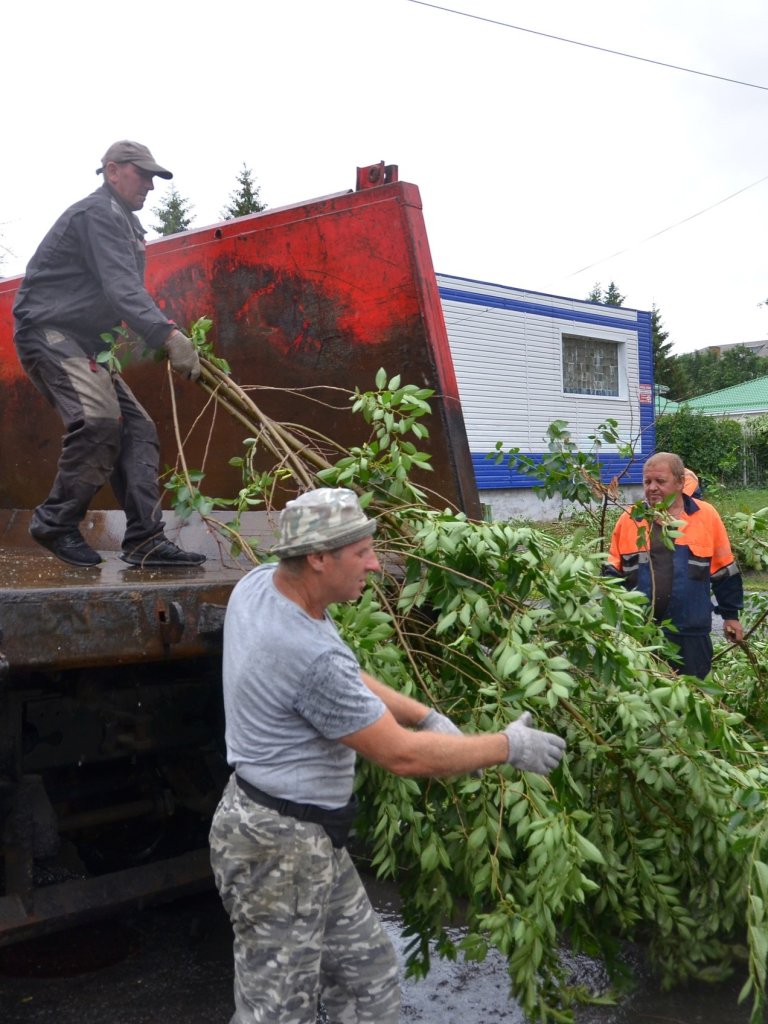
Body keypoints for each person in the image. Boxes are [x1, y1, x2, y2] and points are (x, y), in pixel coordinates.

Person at [209, 487, 567, 1024]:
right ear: (318, 557)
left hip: (300, 835)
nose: (376, 565)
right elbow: (402, 758)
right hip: (278, 849)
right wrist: (507, 746)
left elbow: (347, 679)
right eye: (362, 553)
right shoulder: (305, 653)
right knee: (276, 1012)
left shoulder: (260, 586)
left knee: (368, 973)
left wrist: (422, 713)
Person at [12, 140, 205, 568]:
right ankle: (55, 521)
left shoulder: (123, 222)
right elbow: (123, 289)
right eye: (143, 174)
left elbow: (120, 294)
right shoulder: (97, 214)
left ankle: (145, 539)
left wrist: (162, 334)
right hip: (51, 334)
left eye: (155, 177)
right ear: (113, 170)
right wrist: (169, 336)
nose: (151, 186)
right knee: (99, 420)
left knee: (138, 430)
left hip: (86, 345)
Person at [606, 452, 743, 679]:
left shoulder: (705, 516)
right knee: (646, 699)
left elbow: (724, 570)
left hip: (690, 632)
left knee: (693, 698)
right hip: (641, 634)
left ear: (680, 482)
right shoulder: (630, 518)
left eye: (660, 481)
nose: (652, 488)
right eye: (647, 481)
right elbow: (612, 570)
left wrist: (731, 615)